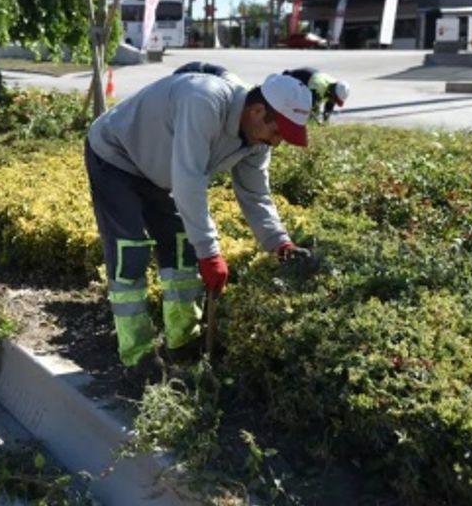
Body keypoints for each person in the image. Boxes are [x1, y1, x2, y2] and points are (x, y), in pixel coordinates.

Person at [85, 69, 314, 378]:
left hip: (161, 171)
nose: (277, 142)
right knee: (131, 252)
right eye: (278, 132)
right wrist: (210, 252)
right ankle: (137, 355)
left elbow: (255, 194)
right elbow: (189, 179)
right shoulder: (204, 101)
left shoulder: (257, 142)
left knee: (183, 249)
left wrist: (280, 243)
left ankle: (183, 343)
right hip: (116, 156)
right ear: (258, 111)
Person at [282, 66, 350, 123]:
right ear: (333, 94)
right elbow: (311, 110)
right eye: (335, 100)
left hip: (306, 81)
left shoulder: (334, 86)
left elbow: (328, 108)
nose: (334, 102)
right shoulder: (318, 89)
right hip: (289, 81)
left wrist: (325, 122)